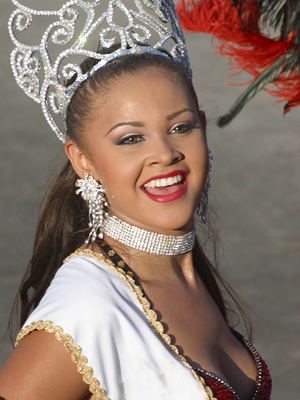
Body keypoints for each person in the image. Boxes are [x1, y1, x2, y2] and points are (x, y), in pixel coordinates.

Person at [0, 1, 272, 399]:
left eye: (181, 127)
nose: (165, 153)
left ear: (204, 129)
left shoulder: (187, 276)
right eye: (130, 138)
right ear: (83, 160)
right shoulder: (86, 309)